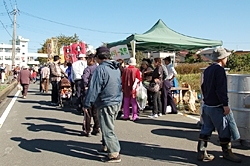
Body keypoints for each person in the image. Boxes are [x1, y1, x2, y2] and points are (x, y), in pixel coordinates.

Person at [197, 47, 242, 163]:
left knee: (206, 128)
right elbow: (221, 90)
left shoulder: (207, 70)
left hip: (207, 105)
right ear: (222, 58)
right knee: (224, 129)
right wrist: (225, 105)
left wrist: (206, 98)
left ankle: (201, 152)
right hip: (216, 106)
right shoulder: (220, 70)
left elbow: (203, 87)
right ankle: (227, 152)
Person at [83, 46, 122, 163]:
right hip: (116, 100)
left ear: (98, 57)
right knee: (107, 126)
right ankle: (106, 147)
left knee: (108, 128)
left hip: (106, 101)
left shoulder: (100, 70)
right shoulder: (116, 68)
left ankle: (114, 153)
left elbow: (94, 88)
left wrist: (87, 104)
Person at [81, 54, 100, 136]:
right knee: (96, 112)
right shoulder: (99, 68)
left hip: (89, 91)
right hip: (98, 92)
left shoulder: (88, 69)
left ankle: (87, 129)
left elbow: (85, 79)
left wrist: (85, 86)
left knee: (87, 111)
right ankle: (96, 128)